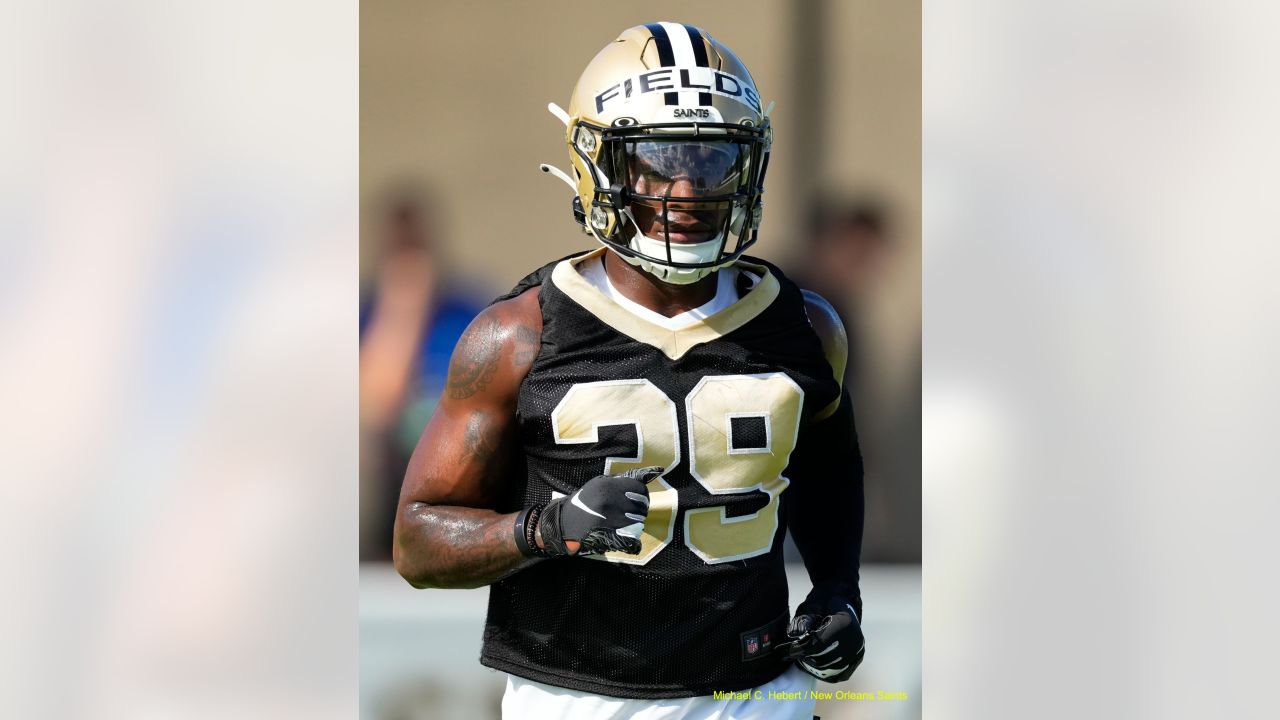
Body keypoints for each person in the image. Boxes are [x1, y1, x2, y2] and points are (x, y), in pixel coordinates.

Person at [393, 23, 865, 719]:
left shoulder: (805, 327)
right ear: (600, 167)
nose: (689, 190)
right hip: (577, 698)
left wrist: (837, 589)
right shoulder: (518, 337)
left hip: (755, 696)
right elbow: (417, 541)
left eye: (712, 163)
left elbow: (829, 469)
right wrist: (545, 529)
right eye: (659, 162)